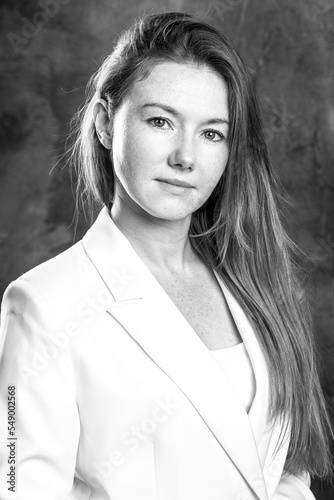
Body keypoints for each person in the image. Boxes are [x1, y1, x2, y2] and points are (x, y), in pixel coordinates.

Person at [0, 11, 332, 500]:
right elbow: (21, 489)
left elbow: (282, 472)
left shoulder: (257, 283)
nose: (185, 157)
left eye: (211, 133)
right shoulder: (43, 305)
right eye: (160, 121)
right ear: (105, 124)